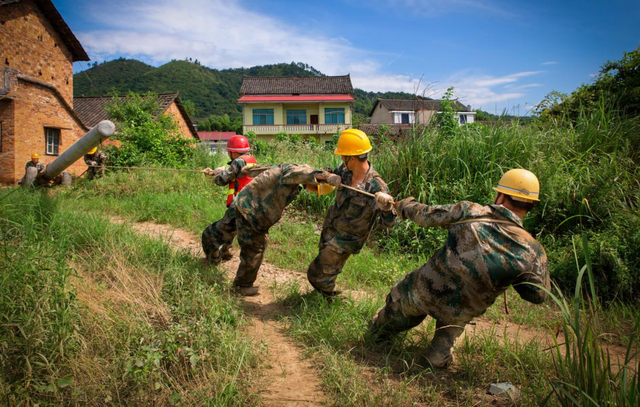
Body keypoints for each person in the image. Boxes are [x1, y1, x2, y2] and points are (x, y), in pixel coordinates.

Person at [370, 169, 550, 368]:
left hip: (426, 289)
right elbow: (537, 296)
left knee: (389, 319)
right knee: (444, 342)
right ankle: (438, 356)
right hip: (461, 310)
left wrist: (400, 205)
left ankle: (379, 328)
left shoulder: (470, 212)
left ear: (501, 196)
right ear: (531, 205)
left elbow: (425, 215)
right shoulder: (532, 251)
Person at [202, 163, 330, 296]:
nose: (313, 191)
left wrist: (226, 171)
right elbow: (306, 173)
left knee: (220, 230)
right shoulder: (296, 172)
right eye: (315, 189)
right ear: (316, 183)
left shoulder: (288, 167)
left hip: (242, 202)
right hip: (253, 213)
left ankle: (211, 257)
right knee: (255, 248)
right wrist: (324, 176)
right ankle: (242, 286)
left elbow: (259, 169)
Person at [306, 129, 397, 297]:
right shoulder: (344, 170)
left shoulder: (377, 186)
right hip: (331, 228)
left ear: (352, 158)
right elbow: (319, 173)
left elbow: (390, 223)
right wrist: (329, 176)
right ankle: (325, 296)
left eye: (343, 156)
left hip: (347, 240)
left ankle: (328, 296)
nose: (341, 159)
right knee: (325, 270)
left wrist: (386, 209)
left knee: (316, 272)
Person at [202, 135, 257, 262]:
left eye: (229, 152)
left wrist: (216, 175)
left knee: (211, 233)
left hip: (239, 204)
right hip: (251, 203)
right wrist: (218, 171)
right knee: (234, 227)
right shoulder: (251, 160)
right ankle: (226, 251)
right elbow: (237, 174)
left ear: (233, 152)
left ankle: (213, 259)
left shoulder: (238, 161)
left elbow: (222, 180)